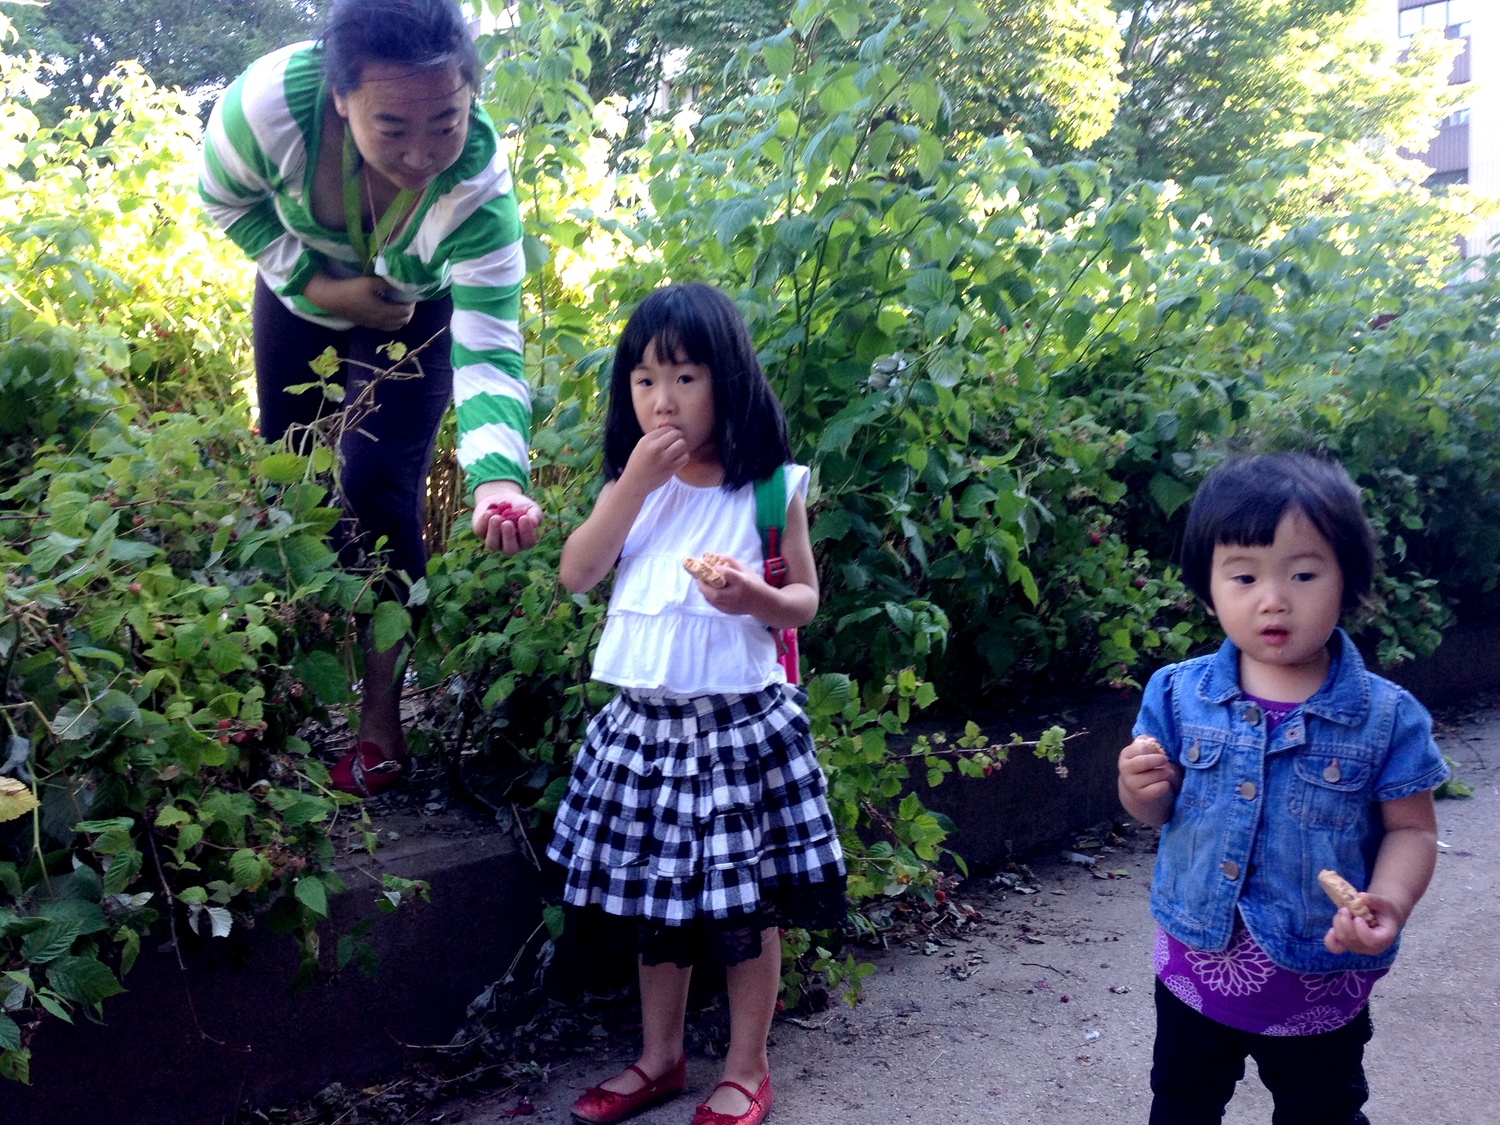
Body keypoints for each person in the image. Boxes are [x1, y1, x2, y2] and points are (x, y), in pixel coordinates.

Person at [199, 0, 541, 794]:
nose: (423, 153)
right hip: (300, 294)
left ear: (469, 98)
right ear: (342, 97)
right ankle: (273, 705)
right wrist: (319, 286)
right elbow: (227, 202)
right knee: (292, 481)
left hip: (412, 310)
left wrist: (499, 477)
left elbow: (490, 346)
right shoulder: (266, 109)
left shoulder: (480, 192)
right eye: (392, 127)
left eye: (447, 122)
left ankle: (381, 728)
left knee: (378, 487)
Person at [547, 284, 846, 1125]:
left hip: (738, 732)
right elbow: (578, 572)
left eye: (683, 375)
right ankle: (661, 1057)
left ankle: (747, 1066)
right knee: (659, 904)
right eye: (643, 380)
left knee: (747, 909)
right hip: (644, 732)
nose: (662, 399)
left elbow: (806, 602)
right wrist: (631, 488)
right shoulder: (634, 485)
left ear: (729, 380)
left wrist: (757, 594)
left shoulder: (766, 488)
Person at [1117, 452, 1448, 1125]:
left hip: (1318, 979)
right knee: (1180, 1102)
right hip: (1194, 967)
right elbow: (1156, 812)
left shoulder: (1387, 717)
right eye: (1243, 575)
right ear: (1208, 588)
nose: (1273, 597)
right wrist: (1139, 788)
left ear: (1347, 581)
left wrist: (1390, 896)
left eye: (1302, 573)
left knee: (1322, 1109)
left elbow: (1412, 828)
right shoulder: (1178, 695)